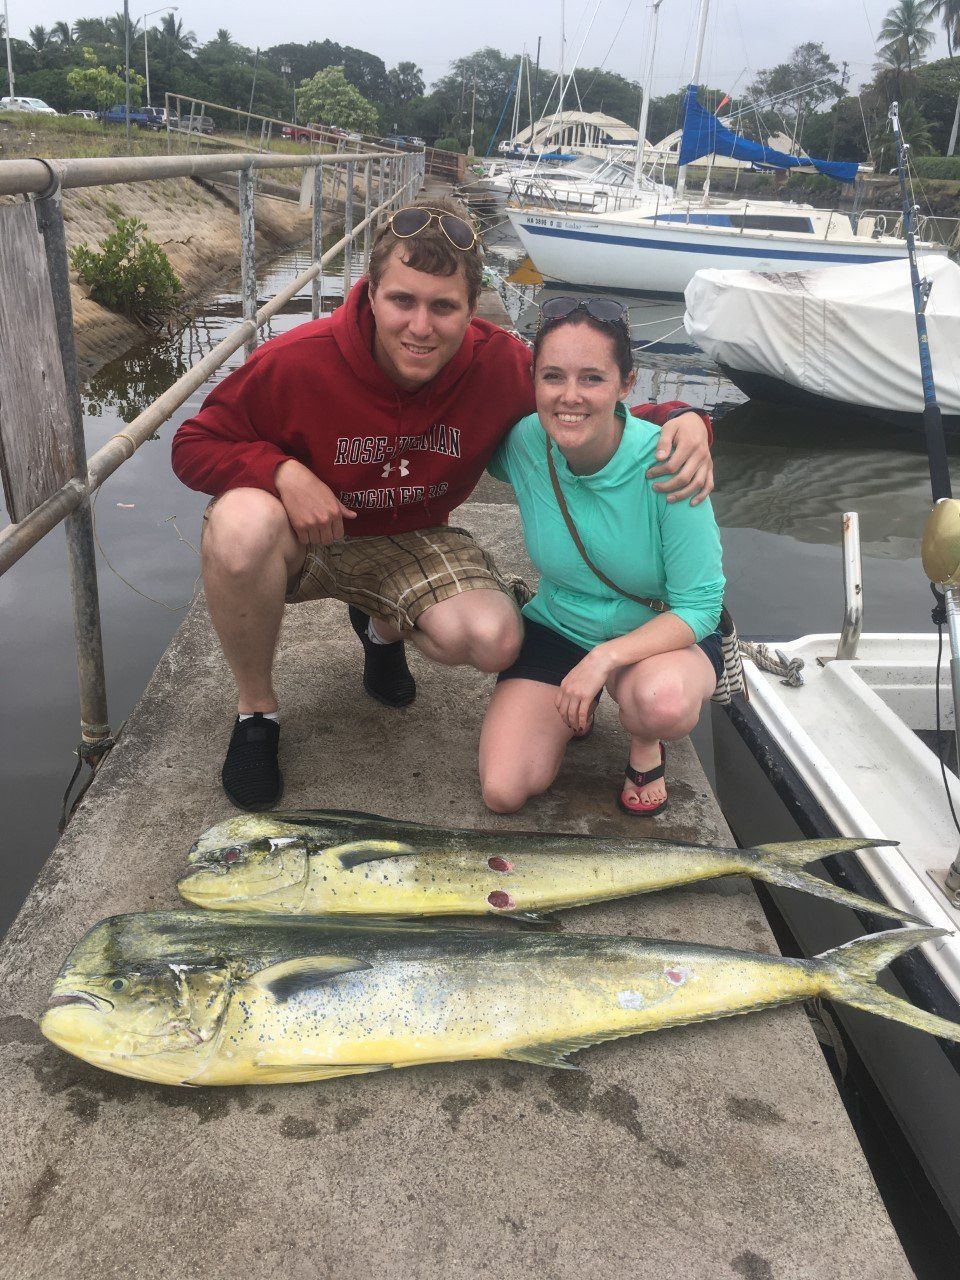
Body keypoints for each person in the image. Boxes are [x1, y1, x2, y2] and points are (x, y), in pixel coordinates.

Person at [171, 194, 715, 811]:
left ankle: (380, 633)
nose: (421, 327)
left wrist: (688, 417)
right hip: (312, 536)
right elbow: (193, 442)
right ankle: (256, 716)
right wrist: (282, 471)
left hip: (414, 537)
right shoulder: (296, 361)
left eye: (444, 307)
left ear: (468, 309)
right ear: (371, 292)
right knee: (241, 523)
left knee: (494, 638)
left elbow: (586, 407)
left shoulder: (499, 364)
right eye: (402, 300)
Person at [479, 296, 725, 817]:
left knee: (660, 702)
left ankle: (643, 742)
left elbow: (700, 607)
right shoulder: (525, 444)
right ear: (534, 382)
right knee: (504, 790)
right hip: (561, 624)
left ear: (626, 385)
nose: (570, 397)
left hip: (657, 638)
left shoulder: (669, 461)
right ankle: (578, 702)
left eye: (592, 378)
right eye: (553, 377)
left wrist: (605, 658)